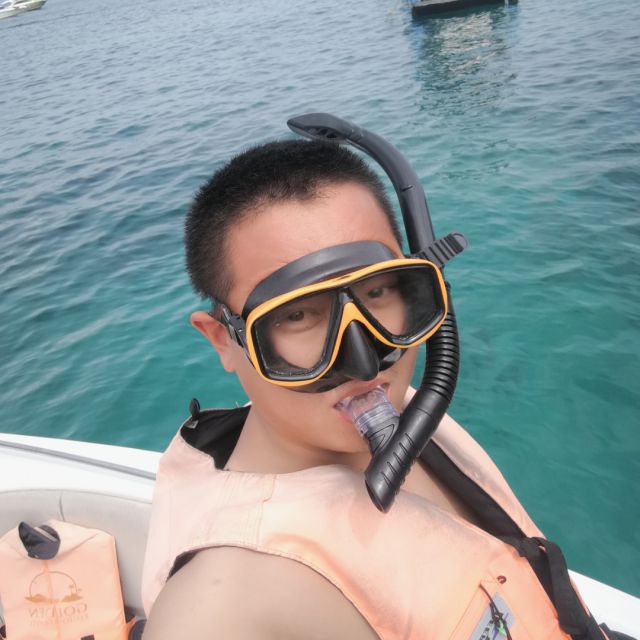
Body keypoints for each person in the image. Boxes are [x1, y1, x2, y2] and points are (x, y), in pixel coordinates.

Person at [141, 116, 611, 640]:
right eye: (297, 315)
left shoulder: (405, 408)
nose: (366, 364)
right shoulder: (226, 602)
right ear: (222, 340)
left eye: (379, 290)